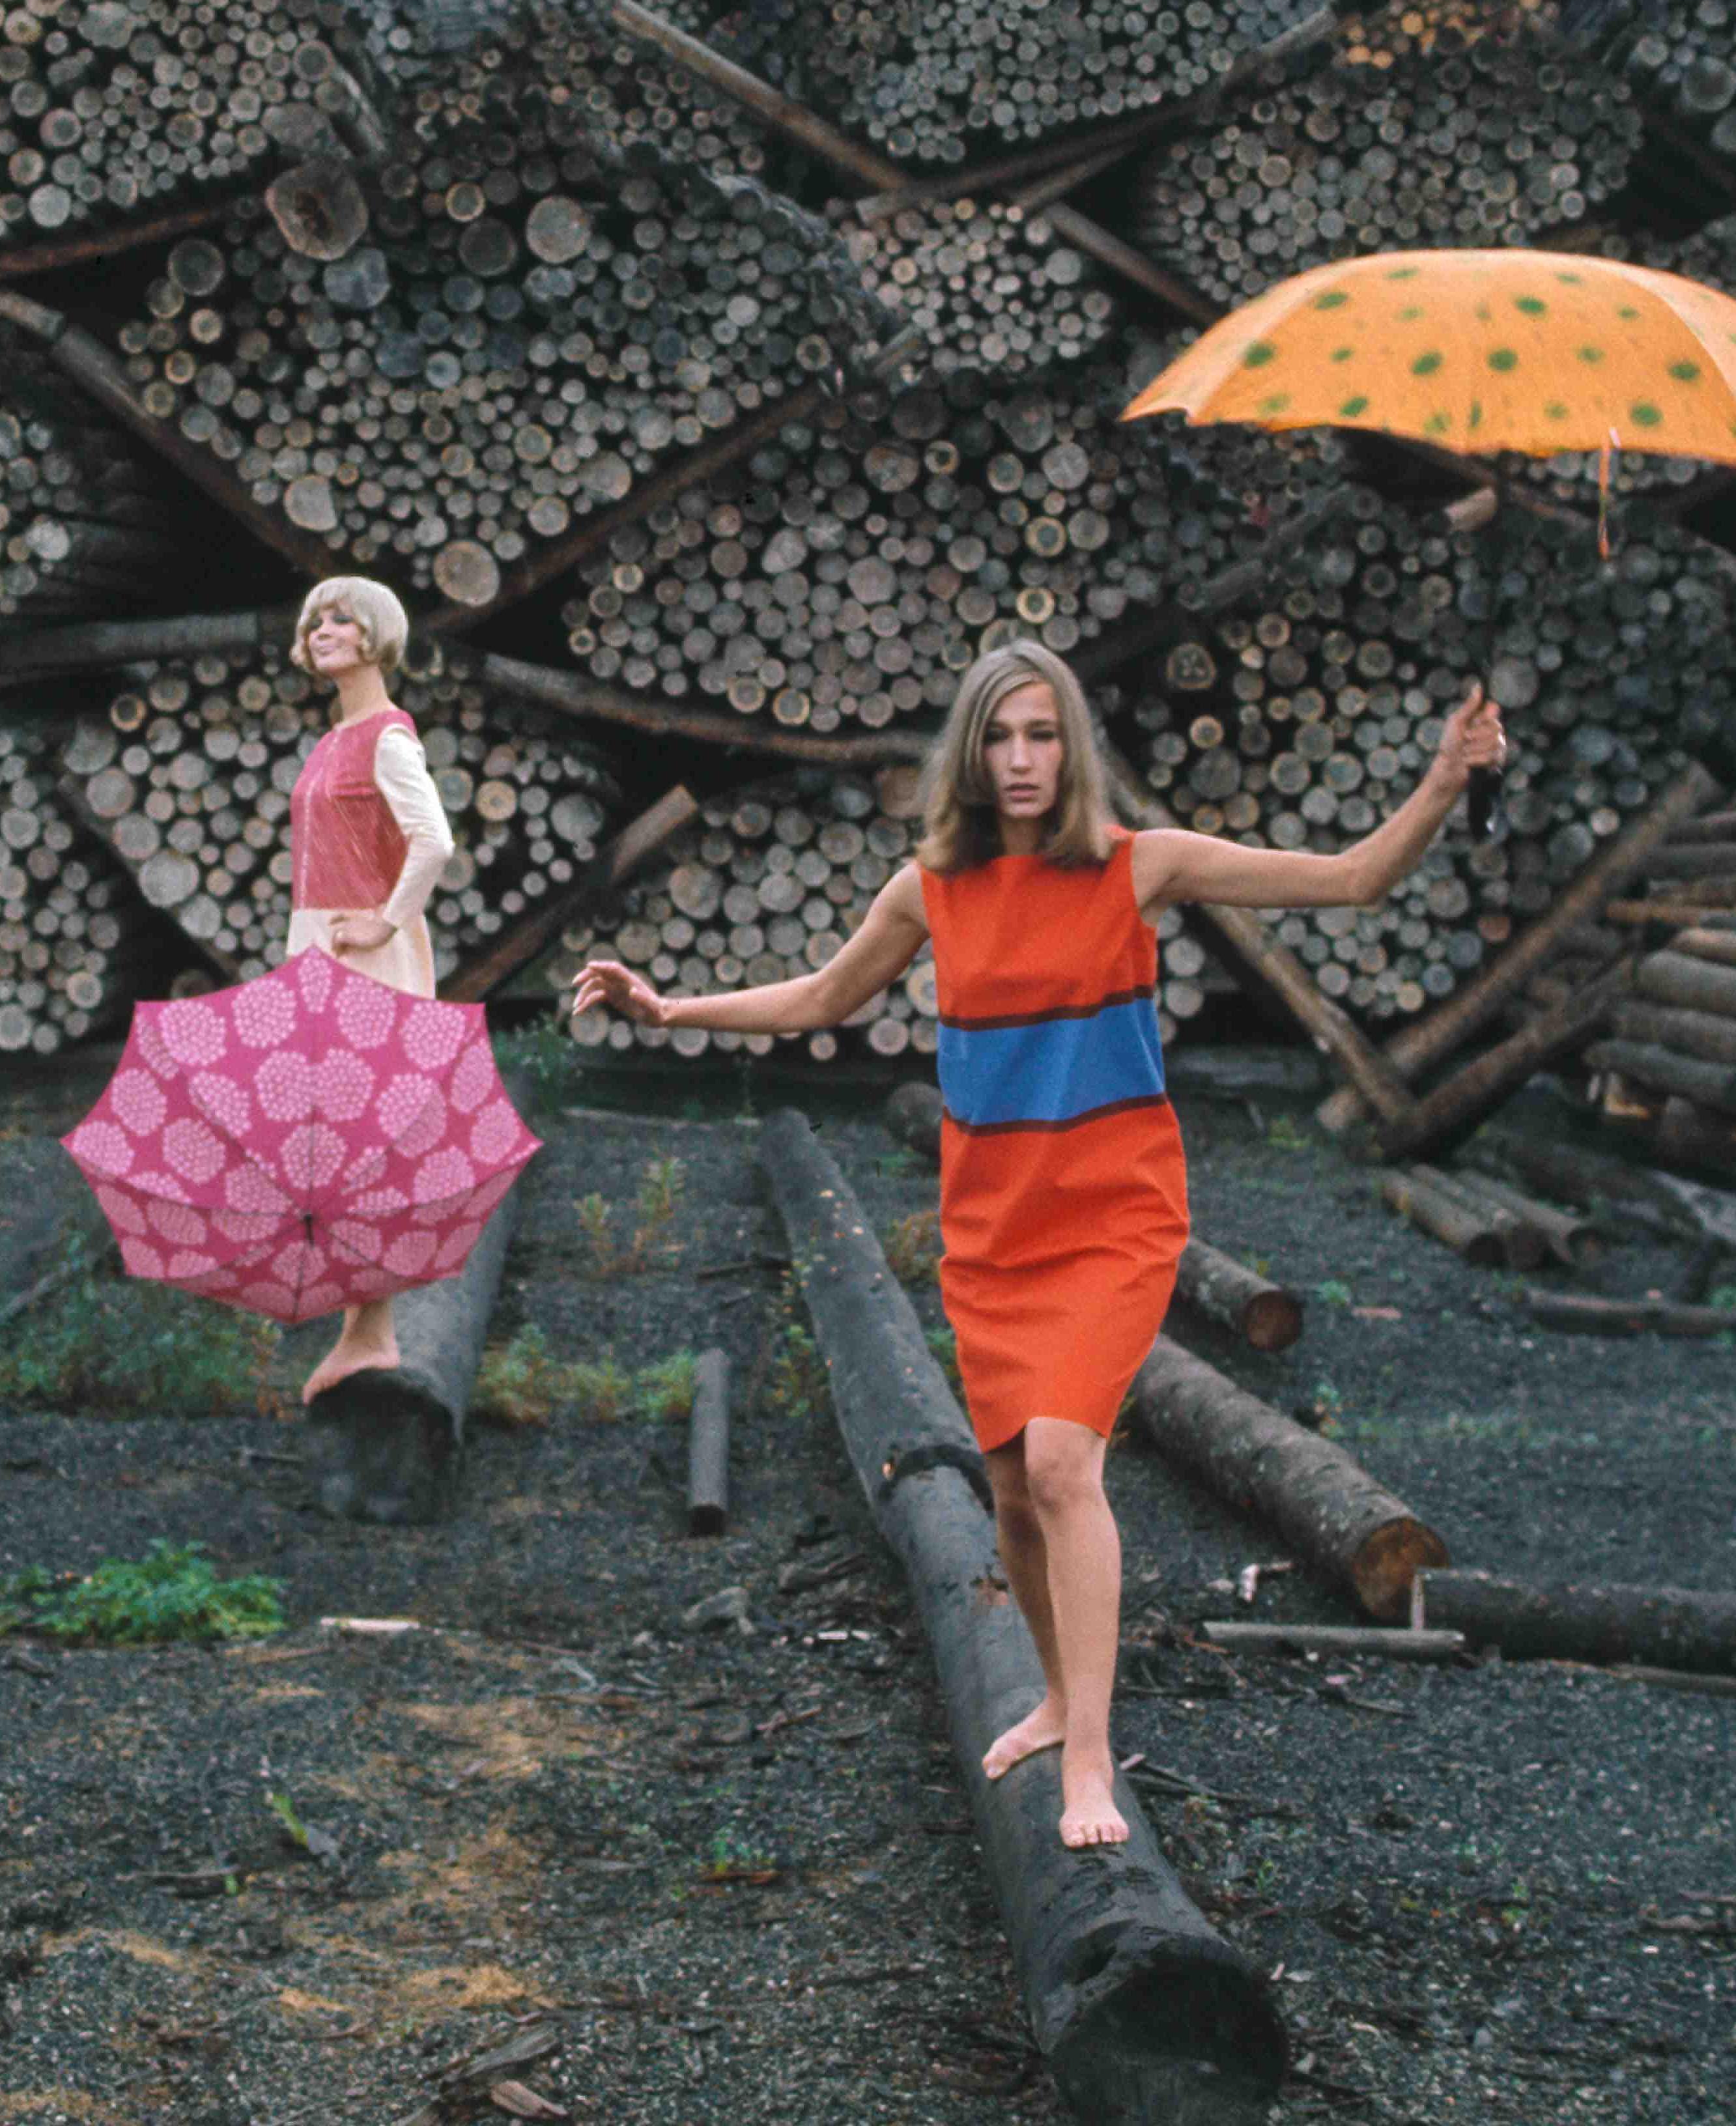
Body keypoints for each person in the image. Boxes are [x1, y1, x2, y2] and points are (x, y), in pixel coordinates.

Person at [572, 640, 1506, 1849]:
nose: (1021, 759)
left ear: (1072, 749)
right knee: (1011, 1491)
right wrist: (668, 1007)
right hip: (991, 1233)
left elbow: (1355, 878)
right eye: (1000, 736)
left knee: (1065, 1468)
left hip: (1113, 1220)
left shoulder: (1139, 864)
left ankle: (1091, 1759)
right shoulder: (928, 889)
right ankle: (1057, 1696)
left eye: (1042, 734)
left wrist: (1443, 778)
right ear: (968, 754)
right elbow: (818, 998)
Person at [287, 576, 455, 1405]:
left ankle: (372, 1335)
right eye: (315, 619)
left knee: (359, 1139)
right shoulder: (335, 738)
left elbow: (434, 841)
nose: (323, 629)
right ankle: (361, 1329)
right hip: (321, 944)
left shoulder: (387, 737)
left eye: (341, 619)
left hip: (367, 958)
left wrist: (386, 923)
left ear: (375, 635)